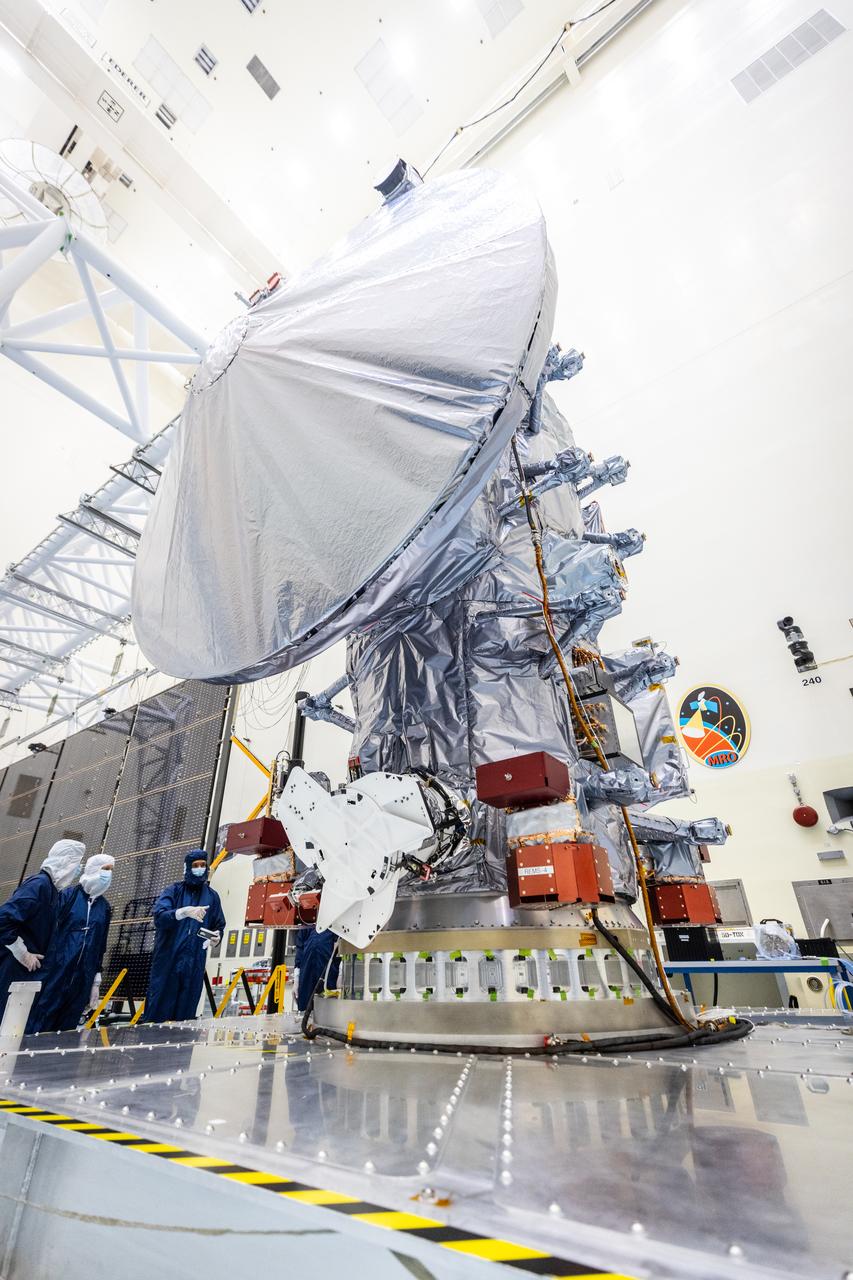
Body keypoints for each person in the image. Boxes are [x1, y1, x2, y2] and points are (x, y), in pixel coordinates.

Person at [26, 853, 114, 1033]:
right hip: (56, 972)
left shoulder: (104, 908)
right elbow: (48, 931)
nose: (108, 875)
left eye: (110, 871)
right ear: (92, 870)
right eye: (105, 870)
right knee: (41, 1021)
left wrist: (96, 979)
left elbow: (100, 946)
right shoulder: (68, 896)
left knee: (67, 1028)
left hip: (82, 978)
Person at [0, 839, 85, 1023]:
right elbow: (4, 919)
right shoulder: (39, 885)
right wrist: (21, 951)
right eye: (77, 864)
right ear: (66, 862)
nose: (77, 871)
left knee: (11, 1028)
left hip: (26, 974)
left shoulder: (52, 891)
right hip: (13, 969)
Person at [143, 849, 225, 1023]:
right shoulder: (173, 891)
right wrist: (182, 912)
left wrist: (217, 937)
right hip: (168, 961)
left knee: (186, 1017)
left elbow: (219, 924)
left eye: (203, 865)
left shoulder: (212, 896)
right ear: (188, 867)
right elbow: (159, 917)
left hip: (194, 963)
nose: (200, 869)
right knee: (159, 1010)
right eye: (195, 866)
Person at [294, 925, 340, 1013]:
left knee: (330, 1011)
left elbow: (340, 951)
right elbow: (299, 954)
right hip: (307, 977)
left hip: (329, 975)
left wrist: (341, 974)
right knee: (306, 1009)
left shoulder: (334, 925)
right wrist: (296, 980)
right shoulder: (307, 926)